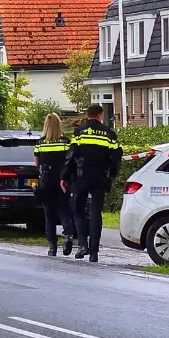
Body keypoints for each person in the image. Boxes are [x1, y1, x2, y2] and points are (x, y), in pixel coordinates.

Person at [61, 104, 122, 263]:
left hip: (81, 176)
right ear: (100, 115)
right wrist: (111, 175)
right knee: (96, 213)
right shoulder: (109, 133)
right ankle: (94, 252)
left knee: (78, 210)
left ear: (88, 115)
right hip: (100, 176)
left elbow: (71, 156)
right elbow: (116, 157)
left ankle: (82, 244)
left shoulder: (79, 132)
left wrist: (64, 177)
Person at [33, 113, 76, 257]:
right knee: (64, 209)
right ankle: (69, 234)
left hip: (46, 179)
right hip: (61, 179)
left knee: (49, 213)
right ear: (59, 125)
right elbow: (70, 160)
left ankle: (52, 246)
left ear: (46, 126)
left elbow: (36, 163)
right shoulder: (65, 141)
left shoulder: (40, 143)